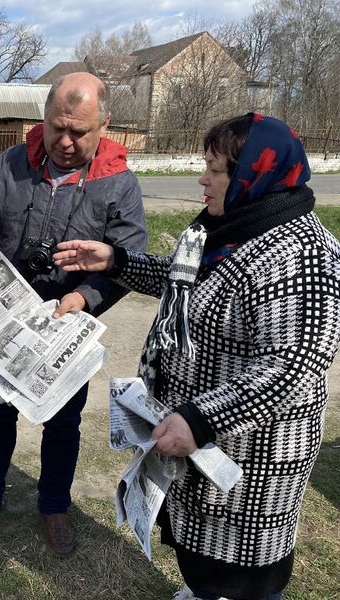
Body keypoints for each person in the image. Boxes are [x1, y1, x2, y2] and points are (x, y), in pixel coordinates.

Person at [53, 113, 340, 599]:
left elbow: (292, 366)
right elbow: (186, 281)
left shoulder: (300, 253)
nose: (203, 180)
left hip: (253, 454)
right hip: (201, 437)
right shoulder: (233, 229)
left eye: (217, 170)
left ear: (257, 173)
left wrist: (201, 419)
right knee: (202, 556)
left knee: (241, 567)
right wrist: (118, 262)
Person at [0, 72, 147, 556]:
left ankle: (54, 507)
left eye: (80, 132)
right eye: (57, 128)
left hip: (67, 325)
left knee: (64, 422)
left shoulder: (119, 184)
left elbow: (129, 257)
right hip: (7, 324)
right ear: (44, 119)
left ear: (104, 126)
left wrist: (86, 299)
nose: (65, 142)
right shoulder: (13, 163)